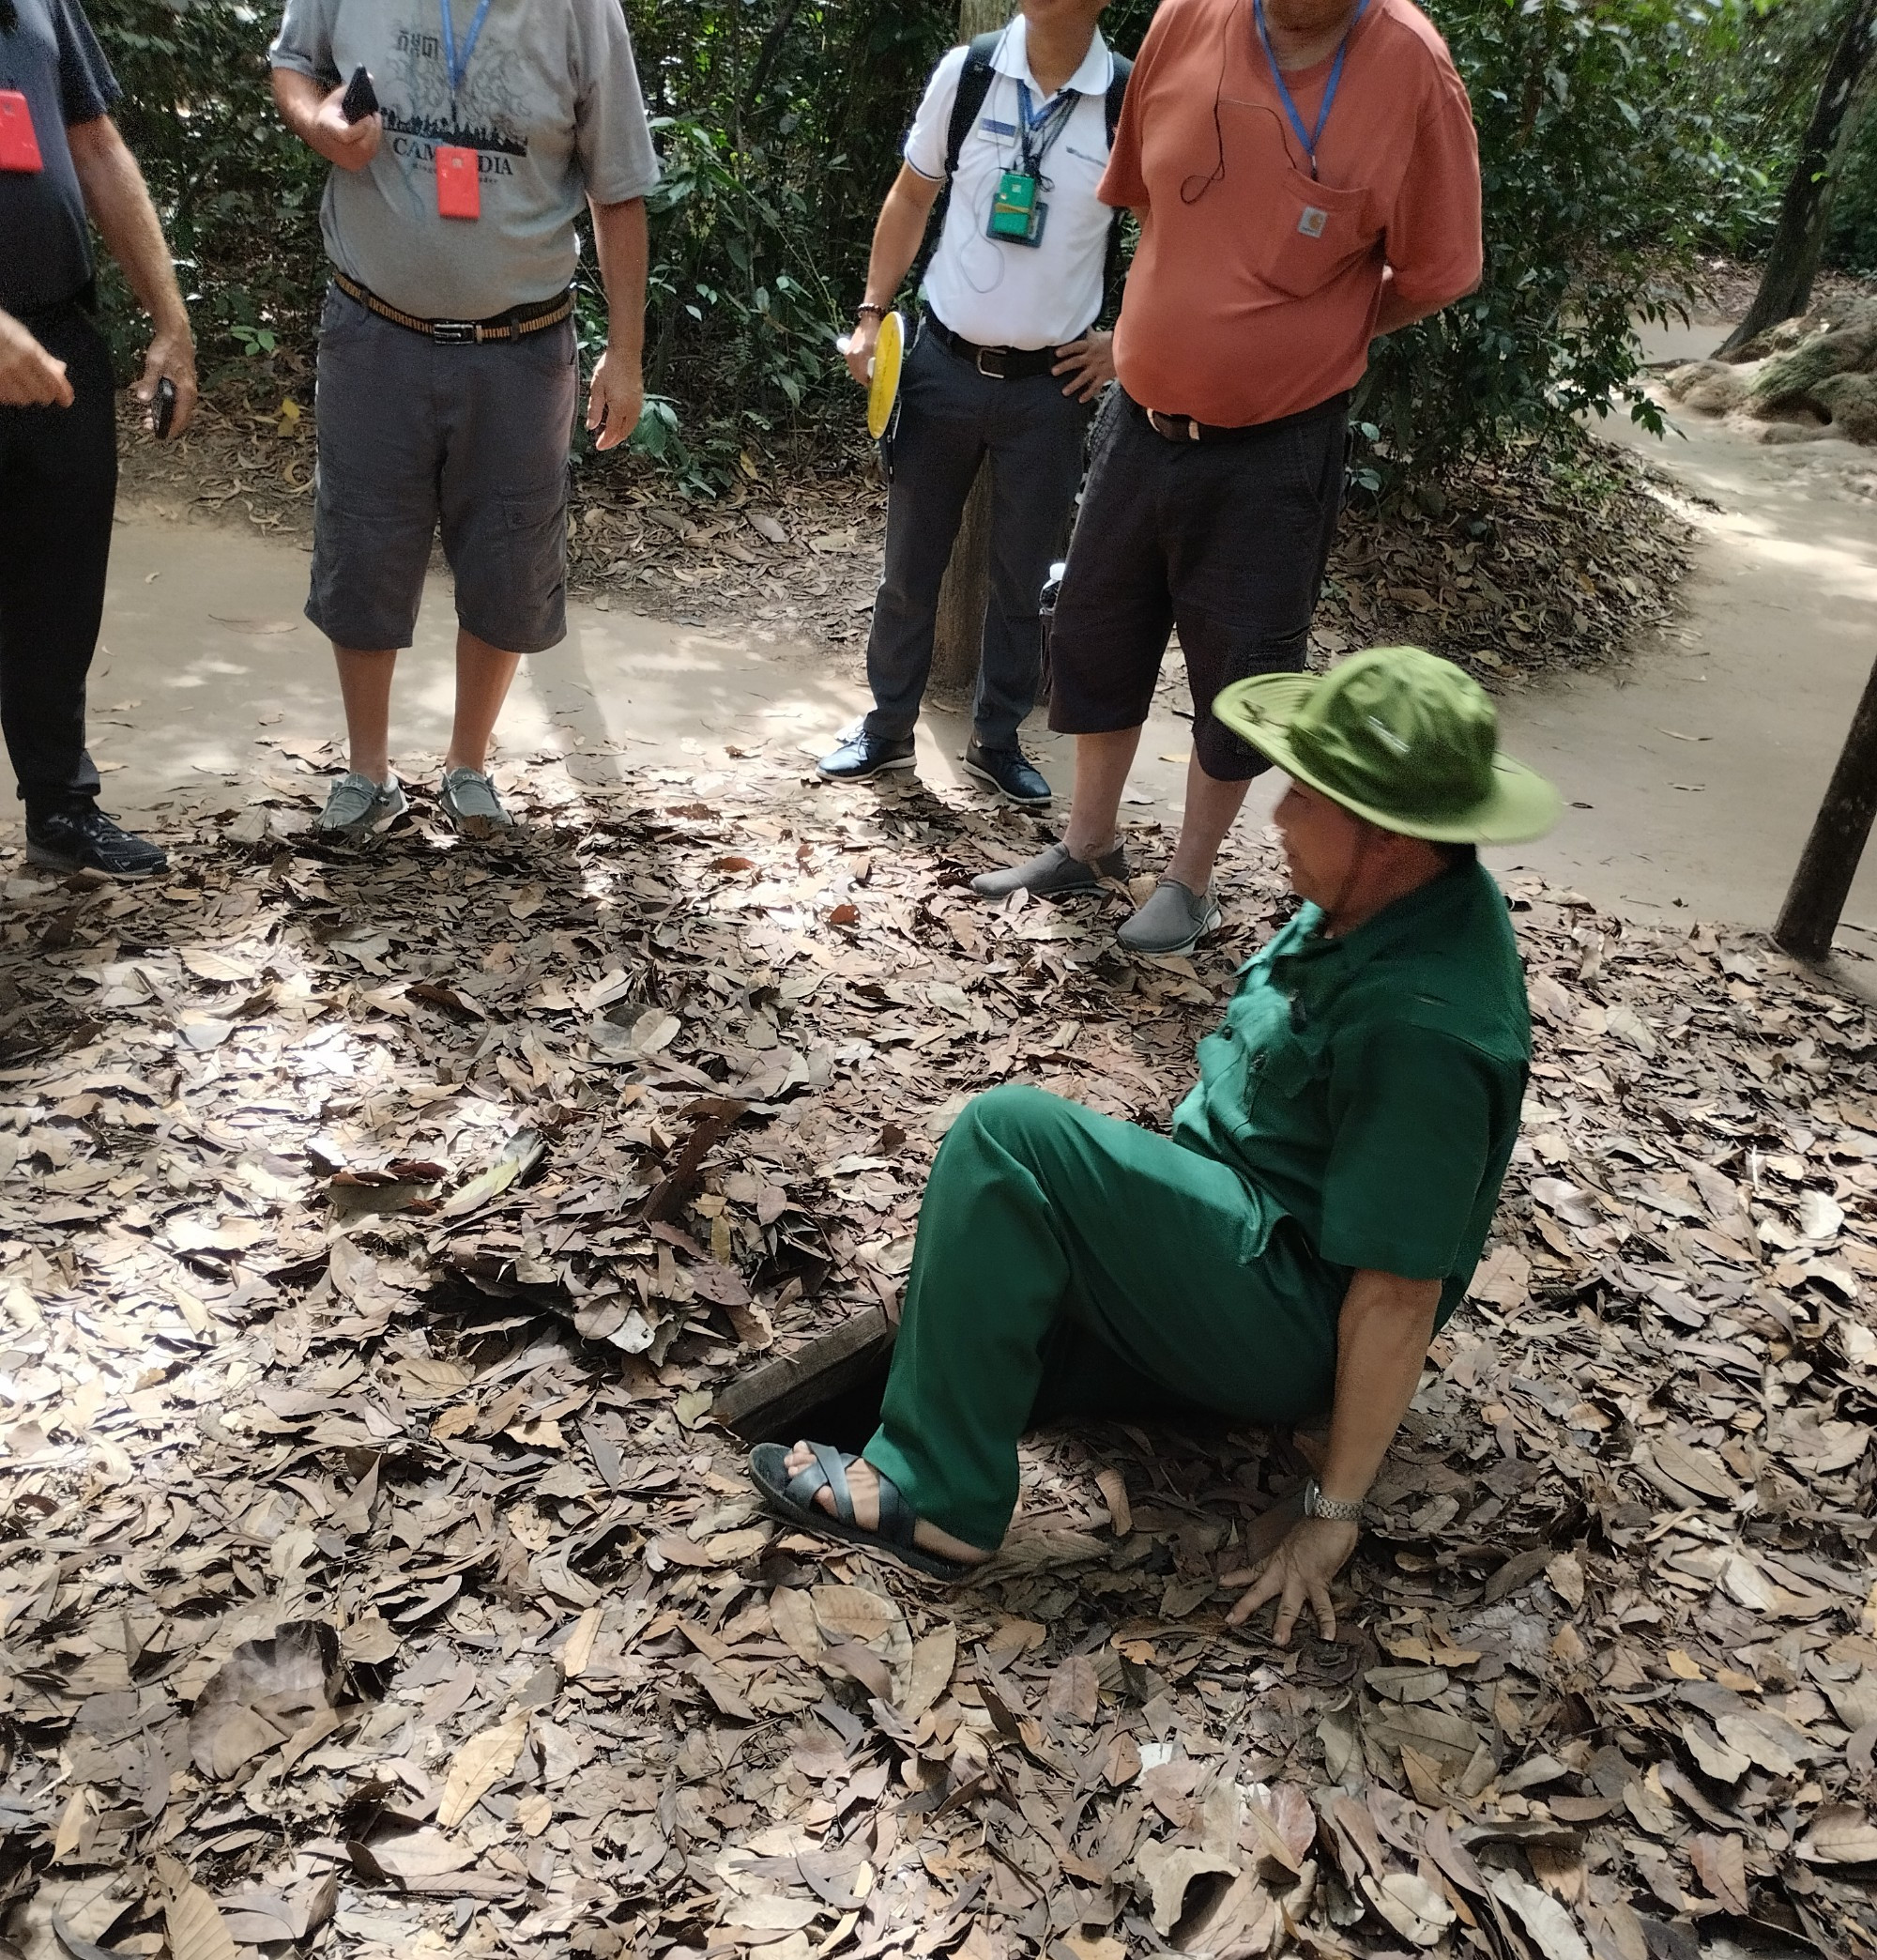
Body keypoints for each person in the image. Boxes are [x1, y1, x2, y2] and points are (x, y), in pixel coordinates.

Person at [753, 649, 1556, 1639]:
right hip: (1235, 1239)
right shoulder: (1382, 906)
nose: (1277, 817)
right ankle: (942, 1412)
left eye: (1304, 795)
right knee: (1000, 1289)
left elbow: (1396, 1294)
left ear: (1387, 832)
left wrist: (1330, 1514)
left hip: (1290, 1312)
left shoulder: (1427, 1028)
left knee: (1010, 1137)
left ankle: (935, 1497)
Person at [973, 0, 1483, 955]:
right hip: (1140, 417)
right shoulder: (1183, 19)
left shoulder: (1410, 66)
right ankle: (1088, 846)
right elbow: (1142, 195)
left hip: (1277, 440)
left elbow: (1437, 269)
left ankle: (1189, 882)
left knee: (1240, 663)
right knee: (1093, 624)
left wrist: (1317, 331)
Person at [268, 0, 659, 842]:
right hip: (374, 327)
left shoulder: (584, 12)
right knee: (364, 542)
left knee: (510, 554)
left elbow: (619, 188)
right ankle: (367, 773)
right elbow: (292, 64)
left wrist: (624, 355)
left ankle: (468, 766)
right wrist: (319, 120)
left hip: (520, 344)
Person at [816, 0, 1130, 812]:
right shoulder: (972, 72)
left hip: (1052, 389)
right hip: (942, 368)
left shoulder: (1129, 97)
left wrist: (1121, 341)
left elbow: (1165, 227)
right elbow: (911, 194)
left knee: (1022, 579)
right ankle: (887, 729)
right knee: (909, 570)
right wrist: (871, 312)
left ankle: (997, 741)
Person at [1, 0, 197, 881]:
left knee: (57, 591)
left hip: (59, 340)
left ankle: (60, 812)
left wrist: (170, 318)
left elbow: (96, 144)